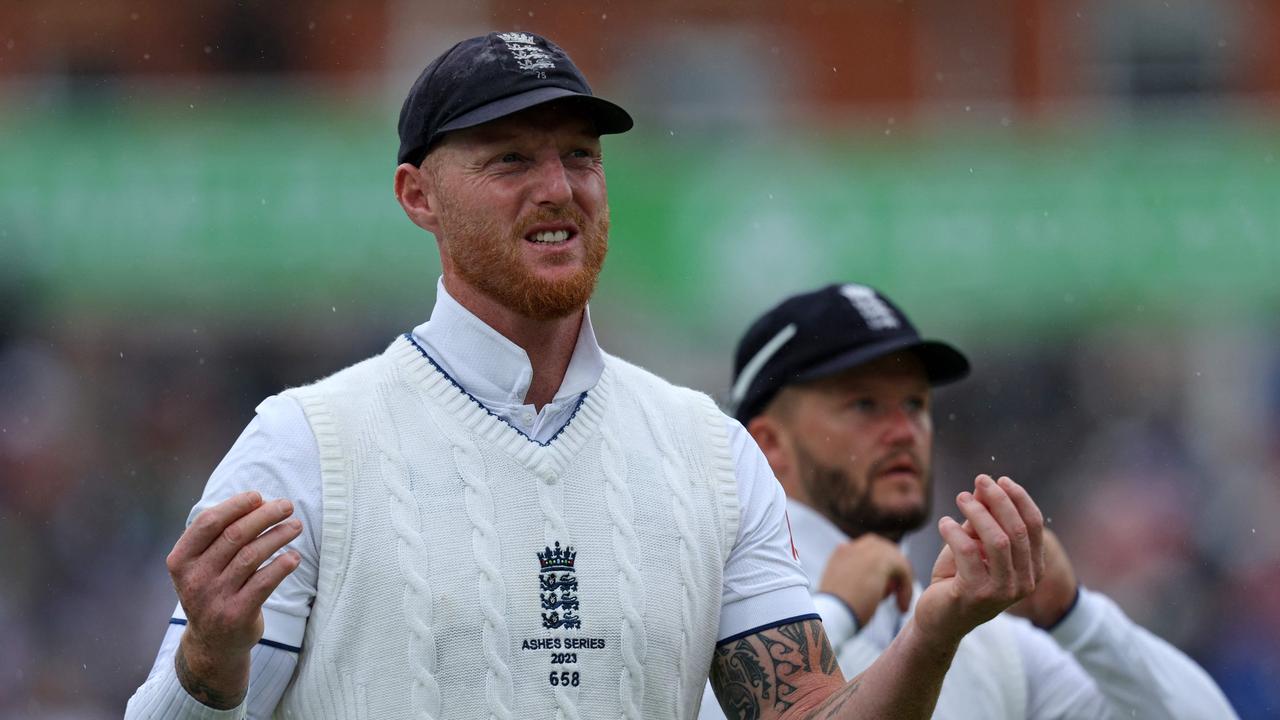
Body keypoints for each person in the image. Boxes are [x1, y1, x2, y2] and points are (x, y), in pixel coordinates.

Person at [126, 33, 1047, 719]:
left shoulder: (708, 452)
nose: (560, 187)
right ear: (418, 196)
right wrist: (207, 663)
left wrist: (934, 632)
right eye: (512, 159)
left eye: (580, 155)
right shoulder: (306, 444)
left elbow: (804, 713)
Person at [699, 282, 1238, 719]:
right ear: (768, 443)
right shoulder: (703, 592)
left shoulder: (974, 629)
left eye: (915, 403)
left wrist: (1074, 615)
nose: (905, 429)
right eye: (864, 404)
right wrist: (835, 613)